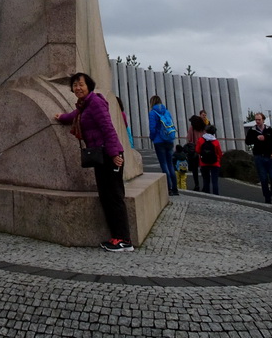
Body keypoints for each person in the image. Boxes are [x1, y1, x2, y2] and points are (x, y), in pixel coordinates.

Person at [55, 72, 133, 251]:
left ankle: (124, 240)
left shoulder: (96, 103)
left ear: (89, 85)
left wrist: (115, 154)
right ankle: (116, 238)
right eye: (75, 85)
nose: (78, 88)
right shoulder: (84, 106)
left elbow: (108, 129)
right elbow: (74, 116)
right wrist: (61, 117)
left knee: (114, 196)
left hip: (110, 155)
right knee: (105, 196)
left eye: (81, 84)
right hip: (100, 156)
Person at [245, 112, 272, 204]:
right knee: (263, 179)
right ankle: (267, 197)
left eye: (259, 120)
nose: (257, 121)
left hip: (269, 156)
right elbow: (247, 141)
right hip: (259, 157)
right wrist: (257, 138)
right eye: (256, 120)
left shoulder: (269, 130)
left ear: (263, 120)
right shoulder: (252, 130)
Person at [148, 95, 179, 196]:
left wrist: (152, 137)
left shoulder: (152, 113)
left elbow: (152, 128)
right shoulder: (167, 112)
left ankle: (168, 188)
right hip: (169, 140)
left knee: (164, 164)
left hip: (159, 141)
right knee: (170, 164)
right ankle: (175, 188)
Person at [197, 125, 222, 195]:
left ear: (206, 131)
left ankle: (207, 196)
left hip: (204, 163)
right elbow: (219, 153)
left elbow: (197, 150)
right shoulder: (216, 141)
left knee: (206, 180)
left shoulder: (201, 140)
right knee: (215, 181)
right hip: (215, 163)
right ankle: (216, 195)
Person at [185, 115, 205, 192]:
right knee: (203, 169)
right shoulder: (203, 128)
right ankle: (205, 185)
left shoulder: (192, 128)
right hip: (203, 150)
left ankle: (197, 185)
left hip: (194, 151)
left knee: (195, 170)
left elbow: (189, 139)